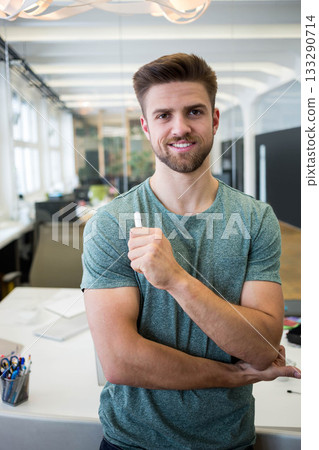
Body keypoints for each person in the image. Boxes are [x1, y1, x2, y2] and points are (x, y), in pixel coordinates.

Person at [81, 53, 301, 450]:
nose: (180, 127)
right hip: (132, 442)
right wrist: (229, 374)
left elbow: (263, 347)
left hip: (228, 441)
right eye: (164, 115)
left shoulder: (255, 218)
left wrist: (177, 280)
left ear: (215, 119)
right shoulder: (110, 223)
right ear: (147, 128)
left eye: (194, 111)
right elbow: (120, 361)